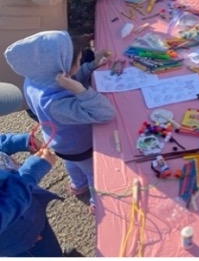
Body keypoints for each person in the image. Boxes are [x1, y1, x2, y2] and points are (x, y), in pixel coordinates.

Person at [5, 30, 117, 213]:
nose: (81, 61)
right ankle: (97, 204)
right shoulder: (57, 103)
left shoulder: (33, 80)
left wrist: (90, 67)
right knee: (93, 173)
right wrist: (81, 90)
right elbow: (105, 113)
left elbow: (66, 80)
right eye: (79, 60)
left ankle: (77, 185)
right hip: (78, 145)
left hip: (59, 141)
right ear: (62, 68)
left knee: (72, 164)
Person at [0, 81, 63, 256]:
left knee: (47, 239)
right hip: (19, 239)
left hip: (30, 215)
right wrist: (30, 173)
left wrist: (19, 141)